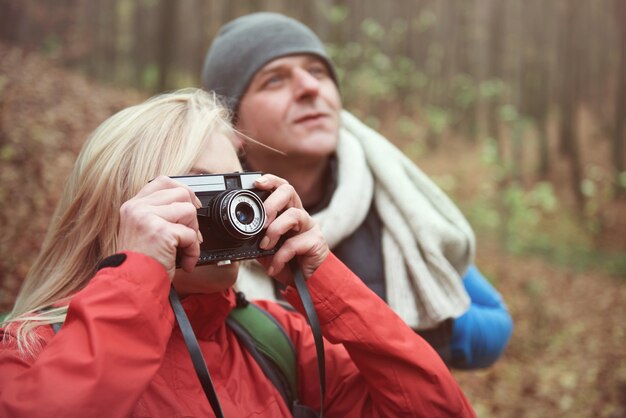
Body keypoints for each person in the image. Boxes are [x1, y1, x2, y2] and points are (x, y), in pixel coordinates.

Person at [0, 89, 476, 417]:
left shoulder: (273, 338)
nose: (234, 211)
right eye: (201, 189)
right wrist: (138, 274)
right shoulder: (30, 351)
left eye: (238, 188)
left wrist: (327, 280)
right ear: (122, 206)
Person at [201, 12, 513, 369]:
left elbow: (496, 322)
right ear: (232, 125)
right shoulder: (204, 224)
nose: (309, 87)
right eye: (274, 80)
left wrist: (412, 334)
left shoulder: (392, 197)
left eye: (318, 72)